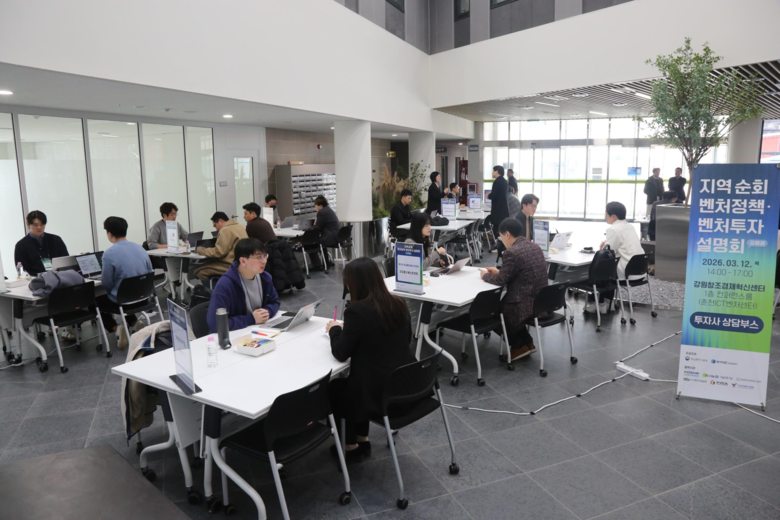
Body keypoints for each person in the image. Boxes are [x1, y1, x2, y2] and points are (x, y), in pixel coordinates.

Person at [325, 257, 414, 459]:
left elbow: (341, 353)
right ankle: (362, 437)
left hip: (377, 393)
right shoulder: (398, 303)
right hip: (404, 385)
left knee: (336, 388)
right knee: (360, 379)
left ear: (354, 284)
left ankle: (350, 446)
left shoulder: (356, 311)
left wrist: (334, 330)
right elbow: (405, 339)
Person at [479, 218, 548, 361]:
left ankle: (518, 345)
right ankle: (527, 342)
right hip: (540, 302)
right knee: (501, 309)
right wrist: (500, 271)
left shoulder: (511, 252)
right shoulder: (535, 247)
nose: (502, 241)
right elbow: (523, 271)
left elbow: (500, 281)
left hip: (523, 304)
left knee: (490, 312)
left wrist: (485, 275)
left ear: (507, 234)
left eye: (501, 237)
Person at [98, 217, 154, 349]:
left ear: (109, 234)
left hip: (123, 301)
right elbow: (150, 272)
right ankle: (135, 323)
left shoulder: (109, 254)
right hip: (144, 298)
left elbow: (106, 284)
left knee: (95, 303)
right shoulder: (140, 248)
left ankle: (116, 328)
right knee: (127, 296)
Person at [206, 239, 280, 333]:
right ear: (243, 261)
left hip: (257, 331)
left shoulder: (265, 278)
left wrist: (267, 312)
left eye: (265, 256)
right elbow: (216, 324)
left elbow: (274, 302)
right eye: (259, 257)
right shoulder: (225, 285)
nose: (264, 261)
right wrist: (251, 319)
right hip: (233, 336)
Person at [588, 202, 645, 313]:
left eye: (606, 214)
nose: (605, 216)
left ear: (613, 216)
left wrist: (602, 248)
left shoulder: (613, 229)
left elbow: (609, 252)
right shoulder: (630, 227)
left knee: (602, 270)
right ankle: (609, 303)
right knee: (609, 269)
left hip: (626, 273)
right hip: (639, 270)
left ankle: (600, 304)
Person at [193, 212, 248, 281]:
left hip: (230, 264)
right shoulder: (240, 226)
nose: (216, 229)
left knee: (199, 271)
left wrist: (202, 250)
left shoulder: (225, 230)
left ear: (220, 221)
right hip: (242, 262)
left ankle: (216, 287)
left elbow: (219, 252)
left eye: (215, 225)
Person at [14, 210, 69, 276]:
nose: (39, 227)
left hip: (58, 277)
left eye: (42, 224)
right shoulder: (21, 245)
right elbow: (23, 270)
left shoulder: (56, 239)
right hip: (35, 279)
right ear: (28, 224)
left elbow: (66, 261)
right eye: (35, 225)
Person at [487, 166, 509, 230]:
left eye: (493, 171)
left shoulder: (497, 181)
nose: (492, 173)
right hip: (503, 211)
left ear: (496, 171)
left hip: (498, 212)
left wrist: (489, 195)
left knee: (497, 230)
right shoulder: (504, 181)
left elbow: (494, 195)